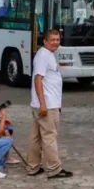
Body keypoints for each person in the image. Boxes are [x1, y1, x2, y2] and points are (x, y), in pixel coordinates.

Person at [27, 30, 72, 179]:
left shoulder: (46, 55)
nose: (55, 42)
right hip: (47, 104)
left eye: (57, 40)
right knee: (49, 136)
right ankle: (54, 169)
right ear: (45, 41)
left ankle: (32, 166)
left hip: (44, 102)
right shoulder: (43, 56)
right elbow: (38, 79)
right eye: (52, 40)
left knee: (36, 136)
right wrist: (43, 104)